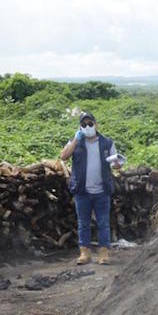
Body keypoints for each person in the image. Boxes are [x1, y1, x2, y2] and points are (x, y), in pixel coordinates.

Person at [59, 111, 123, 265]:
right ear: (80, 127)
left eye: (90, 124)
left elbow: (116, 166)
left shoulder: (107, 143)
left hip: (102, 190)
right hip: (82, 191)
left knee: (103, 223)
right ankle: (85, 253)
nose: (87, 127)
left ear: (96, 124)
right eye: (84, 124)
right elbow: (63, 156)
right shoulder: (76, 142)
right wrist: (75, 140)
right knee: (83, 223)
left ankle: (103, 254)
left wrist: (117, 165)